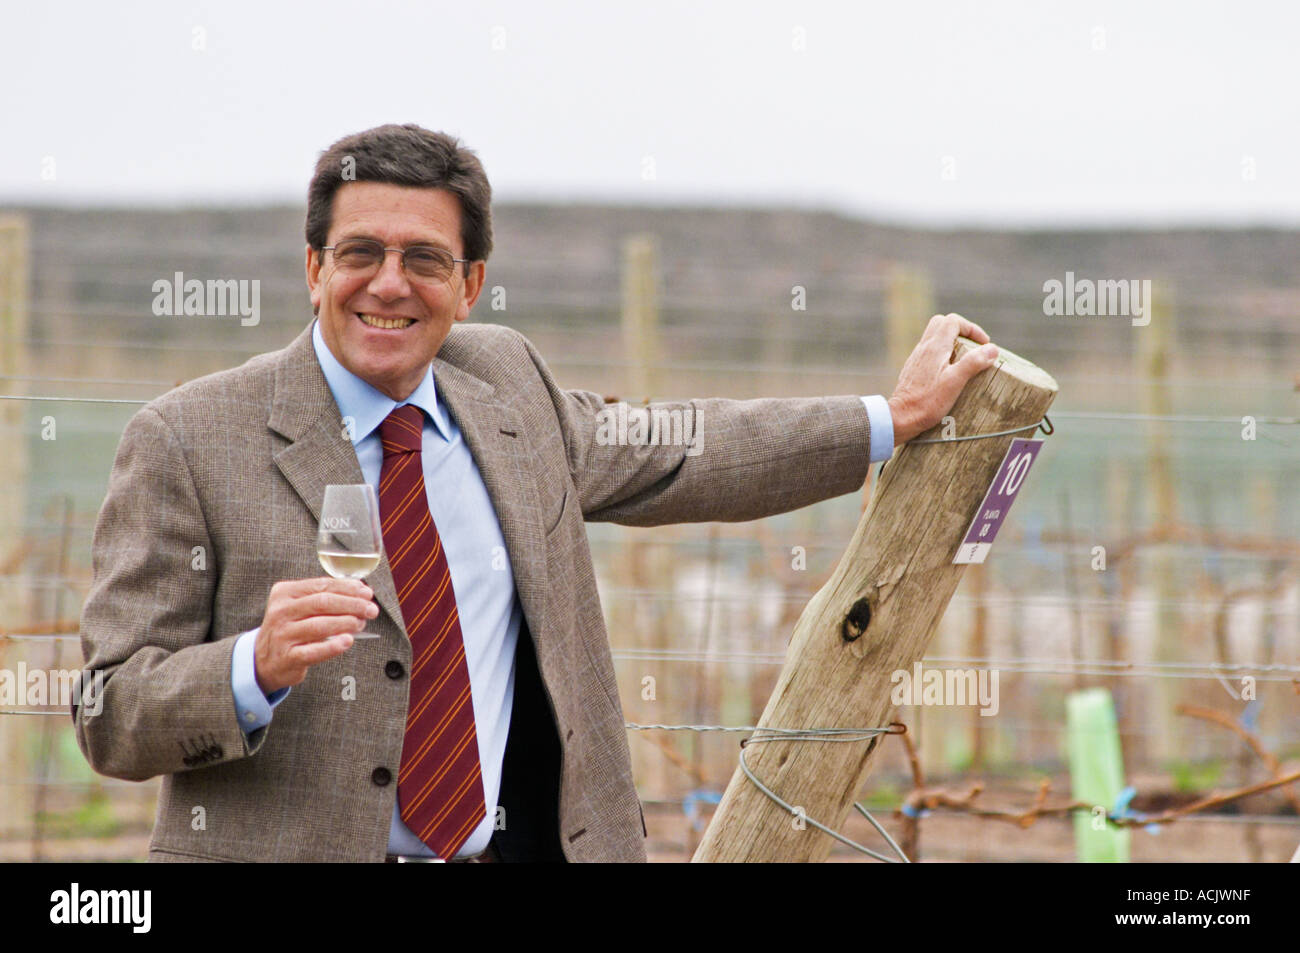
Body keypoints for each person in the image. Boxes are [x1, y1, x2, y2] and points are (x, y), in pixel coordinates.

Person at [73, 123, 997, 862]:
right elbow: (110, 713)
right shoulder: (187, 439)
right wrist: (253, 667)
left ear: (469, 284)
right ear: (314, 270)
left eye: (424, 259)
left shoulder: (506, 384)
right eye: (360, 252)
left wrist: (890, 416)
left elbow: (687, 448)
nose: (388, 284)